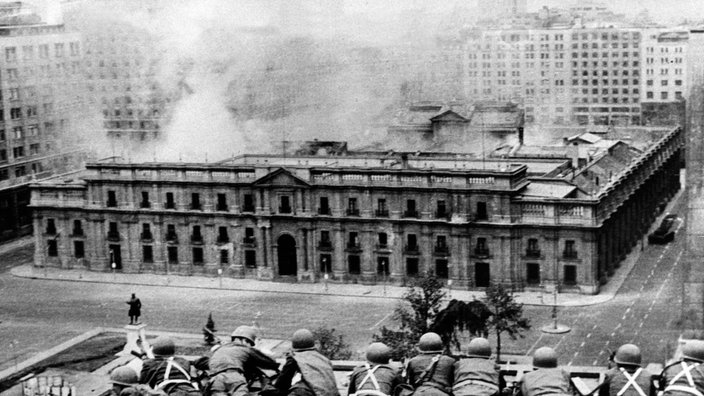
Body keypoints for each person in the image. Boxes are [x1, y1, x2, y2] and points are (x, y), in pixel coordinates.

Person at [206, 325, 280, 396]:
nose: (249, 346)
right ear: (244, 340)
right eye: (250, 343)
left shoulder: (219, 350)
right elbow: (270, 363)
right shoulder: (246, 349)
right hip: (234, 377)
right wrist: (262, 351)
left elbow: (202, 362)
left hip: (215, 380)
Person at [275, 328, 339, 396]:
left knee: (298, 390)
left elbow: (281, 384)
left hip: (314, 393)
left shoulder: (295, 358)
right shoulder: (323, 359)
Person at [405, 332, 455, 396]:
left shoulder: (413, 361)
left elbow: (411, 384)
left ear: (421, 346)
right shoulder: (450, 361)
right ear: (440, 345)